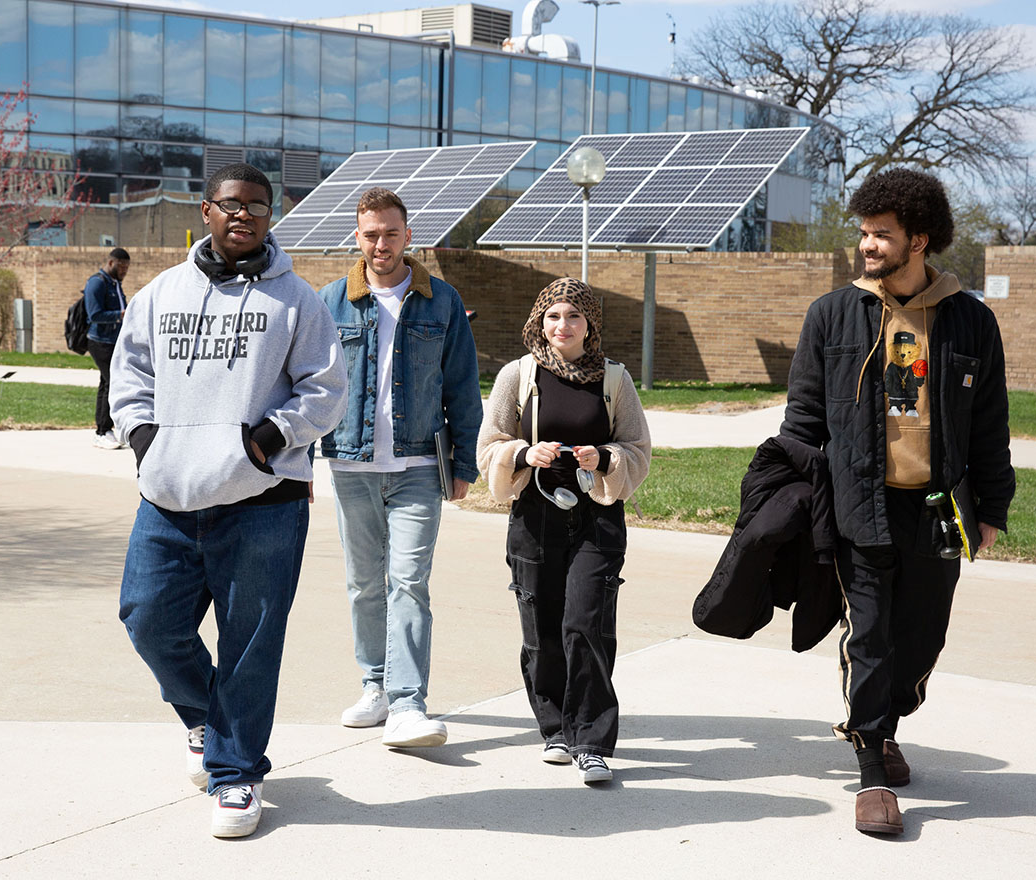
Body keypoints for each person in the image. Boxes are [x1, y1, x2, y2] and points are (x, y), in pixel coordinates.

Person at [110, 163, 346, 839]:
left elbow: (325, 390)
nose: (245, 216)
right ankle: (206, 720)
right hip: (170, 494)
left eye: (259, 208)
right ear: (206, 210)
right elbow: (128, 376)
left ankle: (236, 772)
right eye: (233, 205)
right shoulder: (160, 294)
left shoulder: (298, 300)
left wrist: (267, 441)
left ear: (270, 219)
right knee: (148, 619)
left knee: (249, 644)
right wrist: (149, 441)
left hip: (263, 500)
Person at [780, 168, 1014, 835]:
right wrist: (789, 495)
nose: (867, 246)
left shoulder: (971, 321)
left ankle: (885, 721)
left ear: (919, 239)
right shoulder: (832, 315)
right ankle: (872, 770)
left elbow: (990, 423)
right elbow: (802, 419)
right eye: (864, 233)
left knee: (922, 637)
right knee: (873, 633)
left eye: (881, 235)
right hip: (860, 502)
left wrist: (991, 507)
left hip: (939, 509)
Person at [318, 187, 482, 749]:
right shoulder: (330, 302)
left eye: (391, 233)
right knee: (365, 584)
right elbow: (306, 388)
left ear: (408, 235)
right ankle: (376, 686)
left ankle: (410, 704)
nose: (380, 243)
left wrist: (464, 464)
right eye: (370, 234)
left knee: (408, 582)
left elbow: (463, 388)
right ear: (357, 237)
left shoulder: (442, 301)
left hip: (417, 466)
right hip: (350, 464)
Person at [476, 277, 651, 784]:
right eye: (553, 316)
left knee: (585, 623)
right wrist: (523, 454)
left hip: (596, 518)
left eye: (573, 316)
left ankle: (590, 741)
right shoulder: (518, 375)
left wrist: (607, 458)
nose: (562, 325)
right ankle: (553, 727)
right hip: (535, 517)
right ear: (539, 321)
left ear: (589, 324)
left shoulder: (614, 379)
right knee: (543, 630)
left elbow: (637, 448)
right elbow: (489, 445)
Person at [85, 246, 130, 449]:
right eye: (121, 267)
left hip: (113, 341)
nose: (124, 271)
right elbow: (94, 314)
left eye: (126, 268)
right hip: (99, 342)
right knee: (114, 383)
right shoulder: (97, 283)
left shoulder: (115, 284)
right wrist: (119, 315)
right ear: (111, 263)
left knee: (106, 384)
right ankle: (103, 431)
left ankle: (104, 430)